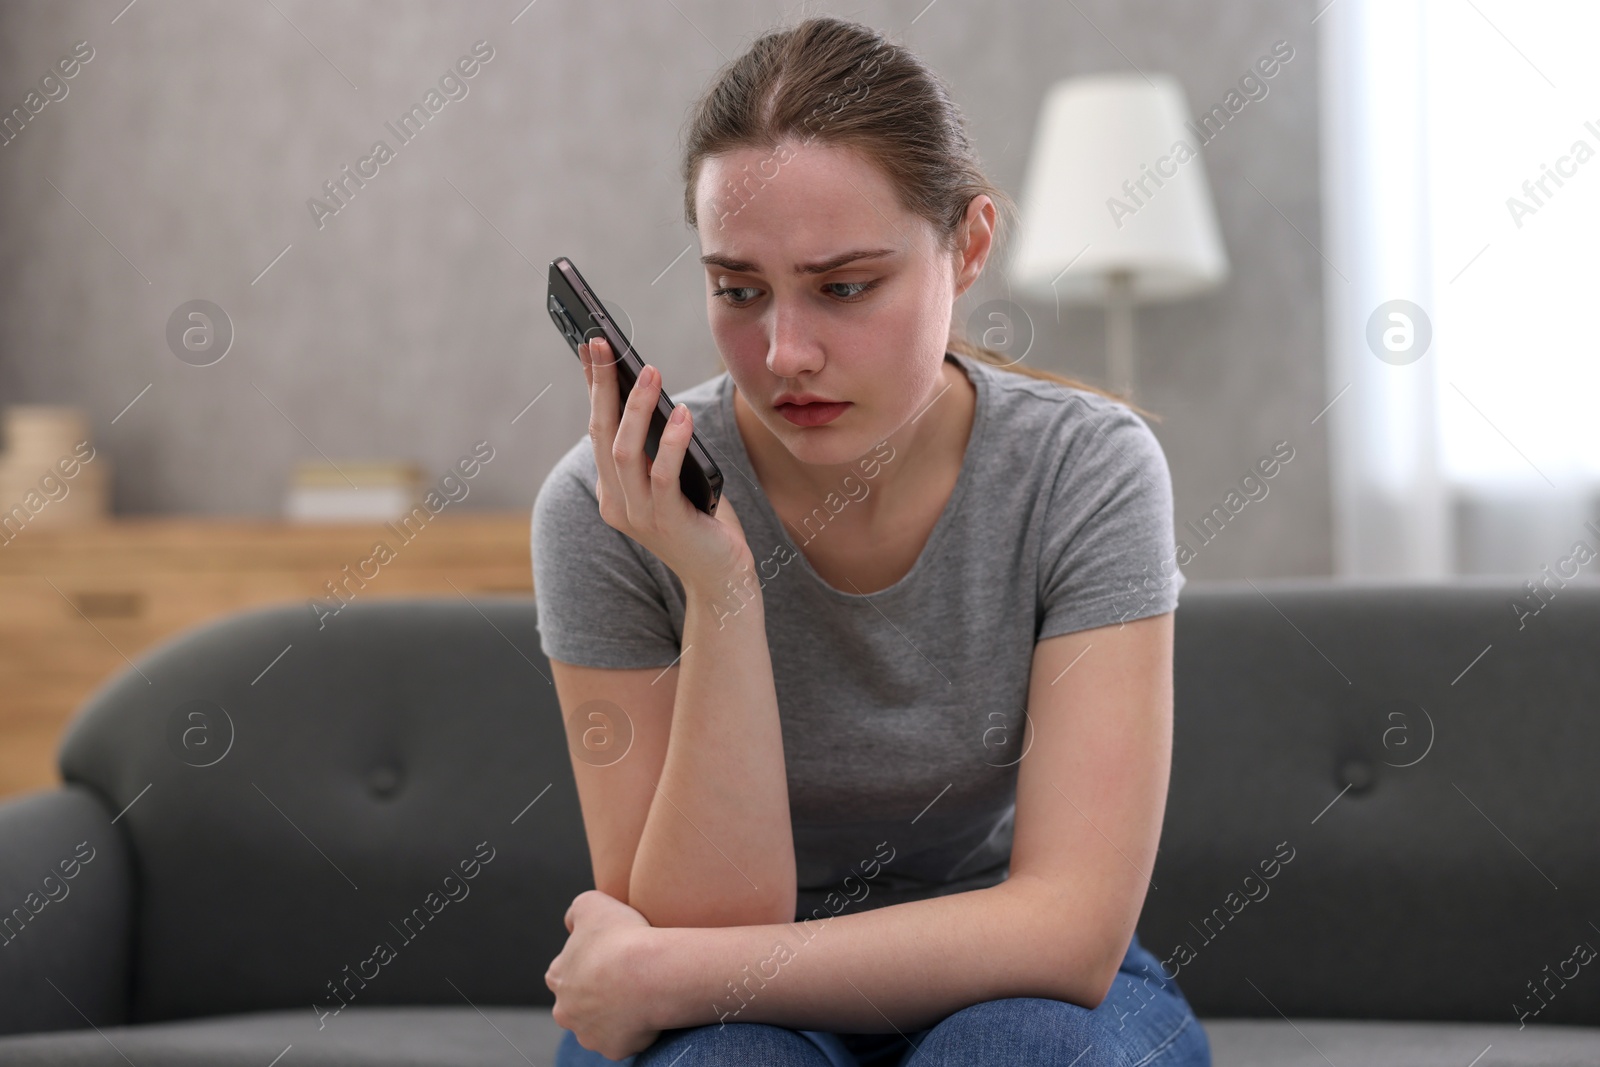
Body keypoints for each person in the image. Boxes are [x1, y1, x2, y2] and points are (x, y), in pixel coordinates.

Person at [532, 14, 1210, 1067]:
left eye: (845, 287)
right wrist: (719, 586)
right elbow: (699, 928)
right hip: (725, 1001)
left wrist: (656, 971)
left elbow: (1070, 934)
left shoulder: (1084, 469)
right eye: (737, 290)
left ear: (970, 244)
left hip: (1002, 968)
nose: (786, 351)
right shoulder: (609, 505)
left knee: (1027, 1052)